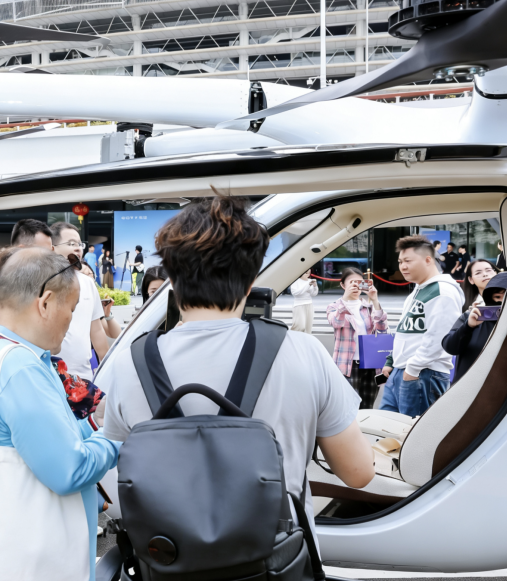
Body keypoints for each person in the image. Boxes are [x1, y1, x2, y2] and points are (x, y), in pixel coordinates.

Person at [102, 195, 374, 536]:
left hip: (168, 555)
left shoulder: (131, 362)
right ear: (250, 281)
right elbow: (358, 472)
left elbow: (117, 473)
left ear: (172, 277)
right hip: (278, 555)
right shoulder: (304, 352)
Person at [0, 247, 121, 579]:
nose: (71, 322)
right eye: (71, 309)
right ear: (45, 303)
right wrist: (117, 433)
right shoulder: (21, 367)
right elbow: (70, 470)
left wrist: (92, 425)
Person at [380, 235, 465, 417]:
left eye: (408, 261)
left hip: (424, 373)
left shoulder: (443, 290)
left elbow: (439, 336)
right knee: (387, 426)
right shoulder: (418, 290)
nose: (402, 266)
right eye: (400, 261)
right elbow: (404, 331)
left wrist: (412, 369)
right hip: (402, 371)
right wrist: (391, 362)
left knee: (413, 430)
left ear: (428, 260)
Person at [326, 267, 388, 409]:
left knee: (367, 406)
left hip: (371, 364)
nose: (356, 286)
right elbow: (336, 322)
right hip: (347, 364)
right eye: (352, 282)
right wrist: (345, 300)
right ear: (343, 285)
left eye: (359, 282)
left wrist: (375, 299)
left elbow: (382, 328)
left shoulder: (368, 306)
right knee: (348, 407)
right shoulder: (334, 306)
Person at [52, 222, 109, 375]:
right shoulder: (42, 282)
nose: (78, 248)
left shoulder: (88, 283)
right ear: (52, 248)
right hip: (51, 373)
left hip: (83, 376)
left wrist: (106, 367)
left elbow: (96, 330)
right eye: (71, 244)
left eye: (79, 244)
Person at [443, 272, 507, 382]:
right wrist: (468, 327)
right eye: (497, 297)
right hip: (471, 387)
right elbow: (450, 347)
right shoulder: (473, 317)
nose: (502, 301)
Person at [288, 268, 319, 333]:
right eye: (306, 273)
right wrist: (308, 285)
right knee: (299, 326)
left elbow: (314, 294)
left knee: (308, 327)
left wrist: (315, 286)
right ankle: (293, 337)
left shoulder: (310, 281)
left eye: (309, 273)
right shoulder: (295, 281)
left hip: (309, 304)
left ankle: (306, 339)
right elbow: (296, 293)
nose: (308, 275)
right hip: (299, 304)